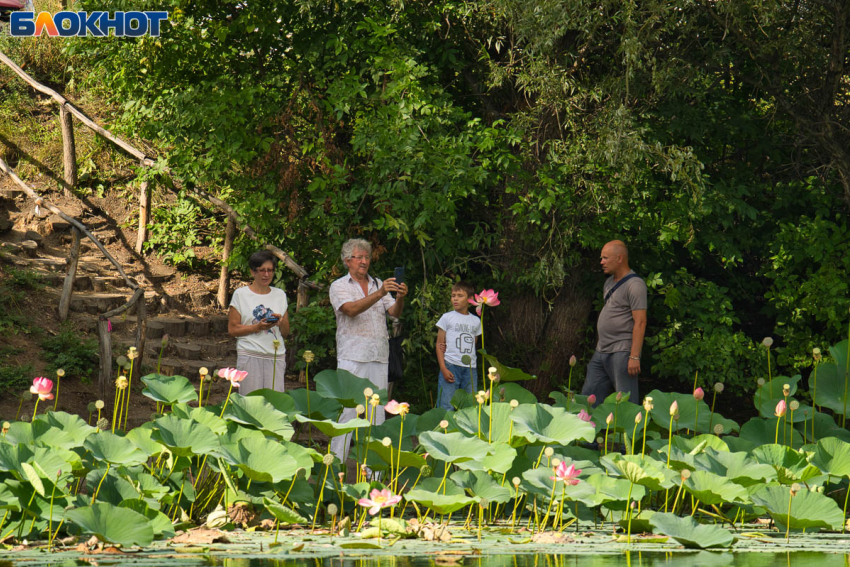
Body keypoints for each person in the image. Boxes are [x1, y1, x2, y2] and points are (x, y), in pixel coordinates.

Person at [329, 238, 408, 462]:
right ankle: (335, 467)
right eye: (359, 257)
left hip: (379, 356)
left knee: (377, 414)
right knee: (347, 413)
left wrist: (400, 297)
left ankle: (373, 471)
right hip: (352, 357)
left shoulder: (377, 283)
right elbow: (351, 310)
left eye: (367, 257)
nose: (364, 261)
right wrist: (381, 292)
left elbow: (394, 313)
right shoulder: (339, 286)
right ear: (347, 261)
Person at [581, 240, 647, 406]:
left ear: (619, 258)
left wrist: (634, 356)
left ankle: (629, 432)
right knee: (588, 398)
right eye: (601, 258)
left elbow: (640, 322)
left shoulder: (635, 284)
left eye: (605, 258)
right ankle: (586, 430)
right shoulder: (609, 282)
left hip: (622, 352)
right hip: (601, 350)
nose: (601, 262)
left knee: (626, 402)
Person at [227, 250, 291, 394]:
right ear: (252, 272)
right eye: (262, 270)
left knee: (274, 405)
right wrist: (257, 327)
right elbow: (232, 330)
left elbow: (286, 333)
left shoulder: (280, 295)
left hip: (276, 356)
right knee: (249, 403)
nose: (266, 275)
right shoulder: (241, 294)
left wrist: (280, 322)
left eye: (270, 270)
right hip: (250, 354)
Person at [435, 281, 481, 410]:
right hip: (450, 365)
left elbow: (473, 344)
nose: (455, 298)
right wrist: (443, 368)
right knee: (446, 404)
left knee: (470, 405)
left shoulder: (476, 321)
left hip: (470, 368)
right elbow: (439, 344)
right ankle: (445, 429)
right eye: (453, 295)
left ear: (470, 299)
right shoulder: (447, 317)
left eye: (460, 295)